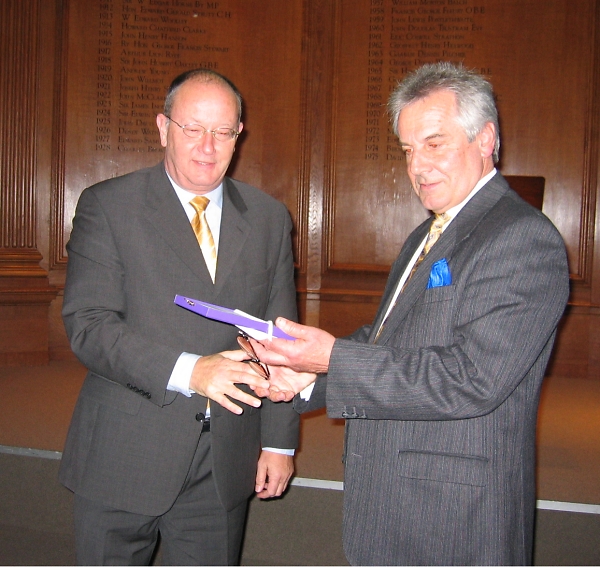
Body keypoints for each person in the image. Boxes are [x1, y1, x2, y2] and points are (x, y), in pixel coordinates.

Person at [252, 62, 570, 565]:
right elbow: (389, 341)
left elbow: (472, 378)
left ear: (486, 140)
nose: (418, 166)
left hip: (454, 517)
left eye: (434, 143)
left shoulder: (521, 237)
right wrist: (308, 377)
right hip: (396, 499)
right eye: (407, 149)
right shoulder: (427, 234)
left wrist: (333, 358)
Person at [59, 68, 299, 565]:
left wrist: (279, 443)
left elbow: (281, 340)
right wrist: (191, 371)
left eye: (223, 132)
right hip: (124, 451)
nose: (208, 146)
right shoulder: (109, 206)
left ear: (239, 135)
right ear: (163, 128)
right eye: (193, 128)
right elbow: (89, 325)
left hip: (225, 458)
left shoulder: (269, 218)